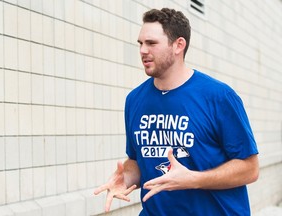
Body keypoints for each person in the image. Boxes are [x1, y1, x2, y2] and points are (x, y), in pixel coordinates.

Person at [94, 8, 259, 216]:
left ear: (178, 45)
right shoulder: (135, 100)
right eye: (141, 43)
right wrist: (125, 177)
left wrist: (195, 179)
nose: (143, 50)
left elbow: (250, 169)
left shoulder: (219, 96)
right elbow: (138, 160)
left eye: (151, 43)